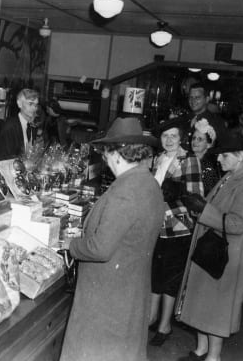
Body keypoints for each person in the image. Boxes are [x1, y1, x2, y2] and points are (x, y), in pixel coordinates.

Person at [59, 117, 165, 361]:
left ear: (117, 154)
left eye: (106, 154)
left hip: (107, 300)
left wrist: (70, 244)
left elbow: (100, 249)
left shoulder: (125, 192)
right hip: (130, 290)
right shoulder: (148, 183)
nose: (105, 160)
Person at [175, 135, 243, 361]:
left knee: (215, 310)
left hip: (225, 257)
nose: (219, 160)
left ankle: (214, 357)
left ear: (240, 156)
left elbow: (237, 223)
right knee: (204, 305)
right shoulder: (230, 178)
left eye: (224, 155)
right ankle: (201, 350)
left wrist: (204, 210)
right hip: (212, 251)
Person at [149, 118, 204, 347]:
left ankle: (164, 325)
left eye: (173, 136)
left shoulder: (188, 159)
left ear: (181, 138)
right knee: (155, 274)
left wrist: (176, 193)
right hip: (155, 225)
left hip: (178, 228)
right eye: (165, 136)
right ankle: (150, 318)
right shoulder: (157, 158)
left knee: (171, 278)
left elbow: (196, 198)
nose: (169, 140)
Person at [0, 88, 39, 160]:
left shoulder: (32, 126)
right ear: (19, 104)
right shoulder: (10, 126)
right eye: (30, 103)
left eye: (36, 104)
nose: (34, 108)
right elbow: (5, 158)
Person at [183, 82, 227, 147]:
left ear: (207, 99)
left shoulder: (216, 122)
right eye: (191, 97)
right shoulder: (184, 118)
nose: (193, 101)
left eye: (197, 97)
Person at [191, 118, 221, 195]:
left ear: (208, 145)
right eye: (194, 138)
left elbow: (208, 196)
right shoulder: (187, 159)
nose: (195, 142)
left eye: (200, 139)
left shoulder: (208, 169)